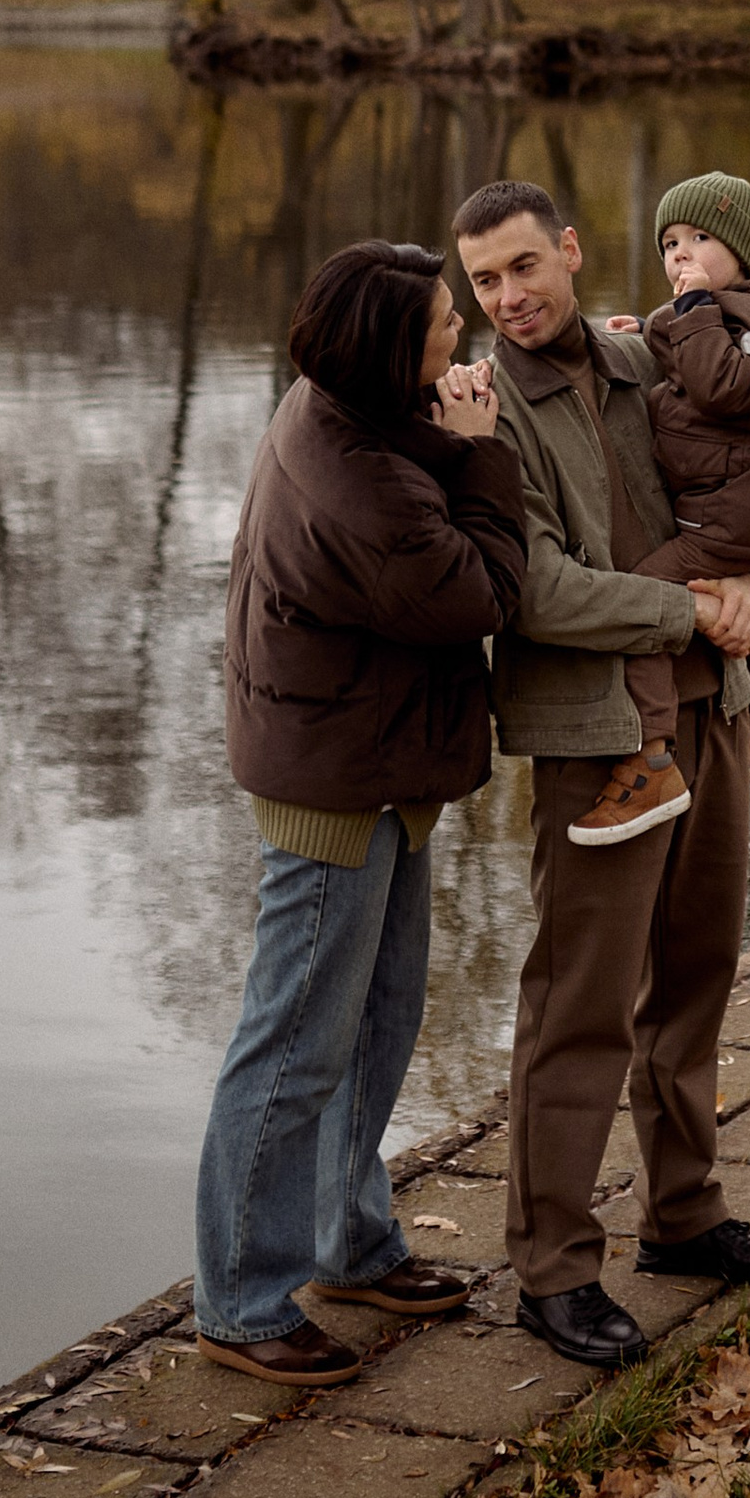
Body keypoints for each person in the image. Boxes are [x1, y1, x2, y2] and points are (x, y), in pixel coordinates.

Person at [448, 178, 750, 1373]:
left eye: (522, 268)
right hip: (597, 737)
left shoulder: (649, 352)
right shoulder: (493, 416)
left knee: (698, 972)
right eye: (483, 281)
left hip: (713, 708)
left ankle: (686, 1213)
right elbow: (539, 590)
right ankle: (554, 1268)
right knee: (580, 1005)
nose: (506, 298)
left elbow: (747, 474)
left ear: (569, 250)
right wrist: (694, 607)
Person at [194, 239, 526, 1389]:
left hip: (371, 756)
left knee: (377, 1016)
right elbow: (481, 591)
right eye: (444, 323)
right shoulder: (356, 479)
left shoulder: (344, 407)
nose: (462, 333)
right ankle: (240, 1297)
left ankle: (347, 1240)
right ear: (392, 345)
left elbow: (411, 468)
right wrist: (483, 456)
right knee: (293, 1042)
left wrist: (454, 424)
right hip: (335, 777)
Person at [567, 166, 750, 850]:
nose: (680, 255)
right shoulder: (736, 312)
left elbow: (719, 385)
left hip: (739, 514)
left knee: (644, 597)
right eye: (669, 245)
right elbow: (692, 355)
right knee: (715, 602)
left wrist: (688, 315)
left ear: (742, 251)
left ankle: (652, 757)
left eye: (700, 238)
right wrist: (645, 332)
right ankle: (746, 729)